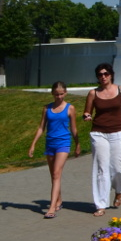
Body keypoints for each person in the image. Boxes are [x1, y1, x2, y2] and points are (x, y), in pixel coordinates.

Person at [83, 62, 121, 216]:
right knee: (101, 169)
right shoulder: (93, 93)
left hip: (118, 132)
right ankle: (101, 204)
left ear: (111, 75)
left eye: (106, 73)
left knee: (118, 168)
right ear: (97, 77)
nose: (103, 77)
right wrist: (86, 116)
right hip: (99, 133)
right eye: (100, 74)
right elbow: (87, 111)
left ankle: (119, 191)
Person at [28, 81, 79, 218]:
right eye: (56, 94)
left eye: (61, 94)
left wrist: (77, 144)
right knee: (54, 175)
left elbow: (74, 128)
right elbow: (41, 128)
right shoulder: (47, 109)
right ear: (52, 94)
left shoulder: (70, 108)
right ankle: (59, 200)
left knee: (57, 173)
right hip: (50, 143)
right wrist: (33, 144)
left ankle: (51, 208)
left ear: (65, 93)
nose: (59, 97)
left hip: (63, 143)